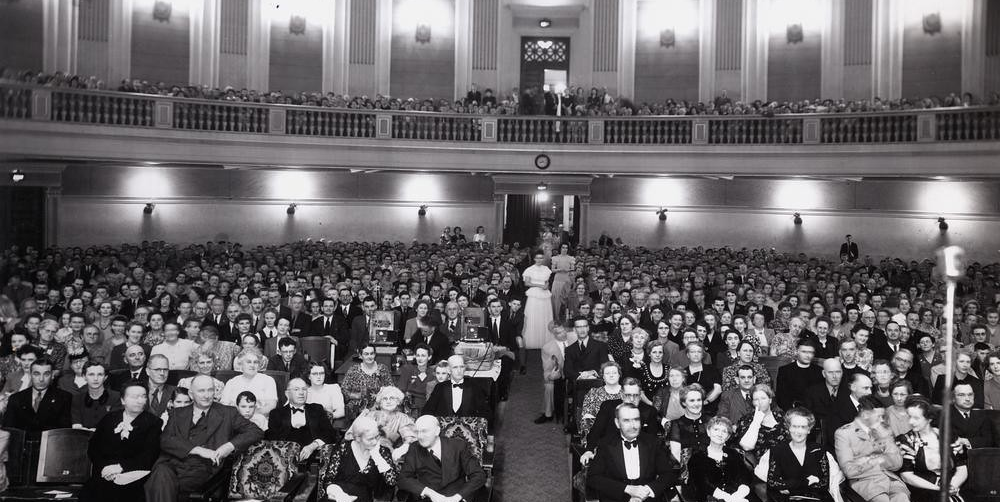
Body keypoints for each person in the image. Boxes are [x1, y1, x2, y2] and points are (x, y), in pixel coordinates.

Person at [145, 375, 265, 502]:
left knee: (160, 484)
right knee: (161, 473)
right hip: (172, 464)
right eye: (201, 391)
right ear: (191, 394)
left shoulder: (228, 413)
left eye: (210, 390)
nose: (207, 395)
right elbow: (165, 440)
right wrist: (197, 449)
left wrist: (228, 446)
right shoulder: (177, 413)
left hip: (202, 468)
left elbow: (255, 431)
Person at [80, 380, 163, 502]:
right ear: (123, 400)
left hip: (134, 475)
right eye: (134, 397)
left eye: (143, 396)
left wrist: (120, 467)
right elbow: (94, 448)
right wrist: (104, 468)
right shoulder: (109, 418)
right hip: (105, 474)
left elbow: (149, 455)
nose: (140, 400)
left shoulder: (153, 422)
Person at [586, 403, 674, 502]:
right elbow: (593, 477)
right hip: (617, 498)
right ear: (617, 423)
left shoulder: (653, 442)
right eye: (626, 420)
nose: (633, 426)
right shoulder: (606, 444)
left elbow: (668, 474)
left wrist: (648, 490)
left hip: (647, 497)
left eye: (636, 419)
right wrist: (627, 489)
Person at [755, 408, 845, 502]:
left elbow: (823, 484)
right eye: (795, 426)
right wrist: (807, 482)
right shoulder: (777, 450)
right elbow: (773, 483)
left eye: (803, 427)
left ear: (809, 430)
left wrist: (788, 486)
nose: (798, 431)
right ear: (789, 428)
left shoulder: (819, 450)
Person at [833, 395, 909, 502]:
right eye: (878, 416)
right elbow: (849, 470)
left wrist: (884, 439)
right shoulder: (844, 433)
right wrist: (877, 460)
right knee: (882, 499)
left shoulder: (883, 430)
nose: (882, 420)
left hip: (889, 479)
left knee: (902, 497)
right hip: (865, 482)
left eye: (883, 416)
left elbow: (897, 464)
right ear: (865, 415)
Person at [398, 415, 486, 502]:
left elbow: (479, 475)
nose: (420, 436)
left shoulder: (458, 446)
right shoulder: (414, 448)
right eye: (417, 432)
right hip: (428, 498)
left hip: (456, 497)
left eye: (424, 431)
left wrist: (458, 497)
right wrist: (429, 493)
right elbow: (403, 479)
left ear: (437, 431)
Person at [896, 395, 968, 502]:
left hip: (953, 487)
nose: (911, 422)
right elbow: (906, 476)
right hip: (923, 490)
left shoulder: (949, 436)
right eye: (909, 417)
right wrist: (939, 489)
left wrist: (952, 486)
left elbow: (962, 468)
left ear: (929, 418)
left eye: (916, 418)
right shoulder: (906, 440)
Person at [581, 378, 662, 462]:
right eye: (628, 395)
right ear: (622, 394)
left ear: (640, 395)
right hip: (610, 452)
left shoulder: (650, 411)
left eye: (635, 395)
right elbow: (596, 431)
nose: (632, 399)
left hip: (637, 454)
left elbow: (652, 439)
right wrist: (588, 450)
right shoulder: (608, 407)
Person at [323, 416, 398, 502]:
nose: (375, 442)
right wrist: (340, 495)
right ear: (358, 438)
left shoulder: (382, 452)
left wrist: (377, 456)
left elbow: (392, 482)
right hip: (337, 497)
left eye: (377, 437)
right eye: (370, 439)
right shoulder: (342, 448)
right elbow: (328, 480)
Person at [266, 378, 339, 461]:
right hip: (284, 459)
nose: (301, 393)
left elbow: (330, 433)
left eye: (304, 389)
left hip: (314, 457)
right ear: (287, 394)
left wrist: (313, 445)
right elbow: (272, 438)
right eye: (296, 389)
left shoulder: (317, 409)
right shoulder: (276, 413)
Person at [686, 416, 753, 502]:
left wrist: (739, 494)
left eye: (724, 431)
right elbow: (702, 484)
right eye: (716, 430)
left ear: (728, 437)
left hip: (736, 498)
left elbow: (745, 476)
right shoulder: (697, 457)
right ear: (708, 432)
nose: (720, 434)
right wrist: (729, 499)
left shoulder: (734, 454)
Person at [2, 356, 73, 438]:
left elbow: (64, 432)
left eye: (46, 374)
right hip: (21, 448)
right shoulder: (16, 398)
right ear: (30, 375)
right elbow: (8, 430)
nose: (41, 379)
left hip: (50, 447)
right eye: (36, 374)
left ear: (52, 375)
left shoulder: (64, 398)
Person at [422, 354, 491, 419]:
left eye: (461, 367)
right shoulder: (440, 387)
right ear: (449, 370)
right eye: (455, 367)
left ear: (465, 368)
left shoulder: (474, 387)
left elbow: (486, 414)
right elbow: (427, 411)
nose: (459, 371)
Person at [350, 386, 415, 452]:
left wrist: (401, 450)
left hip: (386, 451)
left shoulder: (402, 418)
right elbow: (354, 434)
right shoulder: (370, 415)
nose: (388, 401)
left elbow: (410, 438)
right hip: (366, 449)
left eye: (392, 398)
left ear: (398, 401)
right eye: (385, 399)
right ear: (380, 402)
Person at [733, 383, 788, 461]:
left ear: (770, 400)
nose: (760, 402)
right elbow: (746, 447)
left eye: (763, 398)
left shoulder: (783, 416)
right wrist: (756, 421)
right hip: (761, 464)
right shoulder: (746, 420)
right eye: (756, 399)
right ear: (752, 402)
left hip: (785, 459)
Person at [219, 350, 277, 422]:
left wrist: (251, 414)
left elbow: (271, 405)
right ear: (241, 364)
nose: (252, 365)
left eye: (255, 362)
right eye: (248, 362)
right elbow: (224, 406)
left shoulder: (268, 380)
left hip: (259, 420)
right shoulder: (231, 382)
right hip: (234, 421)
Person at [341, 343, 394, 420]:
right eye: (366, 354)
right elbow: (344, 390)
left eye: (371, 354)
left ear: (375, 355)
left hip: (379, 407)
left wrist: (380, 398)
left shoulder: (383, 369)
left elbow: (391, 389)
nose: (369, 356)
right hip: (357, 409)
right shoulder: (353, 370)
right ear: (360, 355)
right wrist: (359, 395)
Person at [804, 358, 845, 446]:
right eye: (830, 372)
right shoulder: (812, 392)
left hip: (845, 439)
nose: (835, 376)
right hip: (820, 439)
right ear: (824, 374)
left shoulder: (848, 392)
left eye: (838, 372)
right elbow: (808, 419)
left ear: (842, 373)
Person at [72, 361, 122, 430]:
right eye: (91, 374)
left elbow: (115, 425)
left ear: (105, 377)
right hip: (83, 438)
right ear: (84, 377)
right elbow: (76, 426)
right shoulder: (77, 398)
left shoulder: (116, 397)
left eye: (100, 374)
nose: (95, 379)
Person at [775, 339, 824, 410]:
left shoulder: (819, 371)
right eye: (804, 352)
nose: (808, 355)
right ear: (797, 351)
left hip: (814, 412)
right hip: (791, 411)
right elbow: (781, 397)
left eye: (811, 352)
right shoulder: (785, 371)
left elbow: (821, 397)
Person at [521, 251, 553, 349]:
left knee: (544, 316)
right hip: (534, 294)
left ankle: (545, 341)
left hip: (544, 294)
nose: (539, 260)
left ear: (543, 259)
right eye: (537, 258)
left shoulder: (546, 269)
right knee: (533, 316)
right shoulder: (529, 270)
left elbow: (547, 282)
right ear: (534, 259)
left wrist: (546, 286)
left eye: (541, 258)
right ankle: (532, 341)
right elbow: (527, 283)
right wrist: (540, 285)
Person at [950, 381, 995, 449]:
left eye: (970, 394)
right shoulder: (944, 417)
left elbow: (989, 441)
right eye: (962, 395)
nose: (968, 399)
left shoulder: (982, 416)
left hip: (980, 457)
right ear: (953, 398)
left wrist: (968, 441)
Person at [397, 343, 434, 414]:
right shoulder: (408, 369)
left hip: (428, 408)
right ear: (415, 356)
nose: (420, 358)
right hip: (410, 408)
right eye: (418, 355)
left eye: (423, 356)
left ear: (429, 357)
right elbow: (400, 391)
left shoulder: (433, 373)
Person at [550, 243, 576, 319]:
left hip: (567, 279)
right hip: (557, 279)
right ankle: (556, 317)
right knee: (556, 299)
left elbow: (572, 269)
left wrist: (567, 270)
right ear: (560, 248)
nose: (564, 249)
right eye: (563, 247)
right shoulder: (555, 258)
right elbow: (552, 270)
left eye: (566, 248)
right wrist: (560, 269)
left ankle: (566, 318)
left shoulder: (571, 258)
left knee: (566, 299)